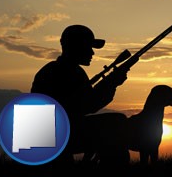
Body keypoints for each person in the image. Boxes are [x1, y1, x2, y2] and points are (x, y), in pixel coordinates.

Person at [31, 24, 129, 166]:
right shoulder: (59, 72)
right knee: (116, 122)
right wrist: (111, 84)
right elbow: (84, 106)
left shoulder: (70, 71)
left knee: (116, 122)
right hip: (52, 137)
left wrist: (110, 84)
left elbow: (86, 103)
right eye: (88, 47)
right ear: (76, 46)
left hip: (57, 134)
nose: (92, 53)